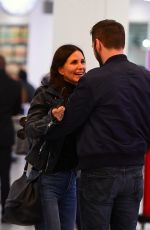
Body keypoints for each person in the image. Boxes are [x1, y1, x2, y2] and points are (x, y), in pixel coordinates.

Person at [45, 19, 150, 230]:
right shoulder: (145, 77)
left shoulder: (93, 80)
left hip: (99, 172)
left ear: (98, 44)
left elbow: (70, 123)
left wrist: (47, 130)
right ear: (122, 42)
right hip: (135, 170)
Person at [25, 44, 86, 230]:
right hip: (47, 177)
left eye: (83, 61)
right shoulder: (45, 93)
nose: (81, 66)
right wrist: (51, 118)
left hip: (72, 178)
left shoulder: (83, 94)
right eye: (74, 62)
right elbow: (30, 128)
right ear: (60, 69)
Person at [0, 55, 22, 222]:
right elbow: (16, 110)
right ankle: (5, 212)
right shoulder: (14, 85)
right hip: (4, 134)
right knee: (5, 174)